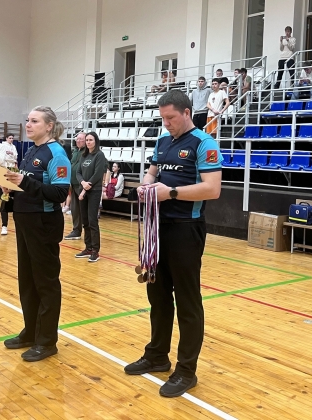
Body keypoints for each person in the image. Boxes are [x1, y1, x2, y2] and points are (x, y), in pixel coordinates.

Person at [123, 89, 222, 398]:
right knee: (158, 295)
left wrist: (171, 193)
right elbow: (152, 173)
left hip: (186, 229)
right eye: (163, 118)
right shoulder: (163, 141)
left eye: (171, 118)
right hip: (157, 227)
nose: (166, 123)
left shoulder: (204, 143)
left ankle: (186, 370)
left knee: (188, 301)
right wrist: (147, 186)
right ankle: (157, 355)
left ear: (187, 113)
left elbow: (212, 189)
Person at [2, 106, 71, 362]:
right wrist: (10, 187)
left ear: (49, 126)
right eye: (28, 120)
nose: (28, 125)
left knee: (45, 282)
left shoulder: (57, 154)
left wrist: (24, 182)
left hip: (44, 223)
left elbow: (60, 193)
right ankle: (30, 332)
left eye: (34, 121)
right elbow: (28, 186)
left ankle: (47, 341)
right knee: (27, 281)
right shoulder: (31, 151)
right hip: (25, 221)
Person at [75, 132, 107, 262]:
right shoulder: (83, 155)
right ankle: (88, 248)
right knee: (85, 221)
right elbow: (78, 172)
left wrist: (87, 186)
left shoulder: (99, 155)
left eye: (90, 140)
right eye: (87, 140)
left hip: (94, 191)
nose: (88, 142)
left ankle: (95, 250)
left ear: (96, 141)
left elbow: (98, 173)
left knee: (92, 220)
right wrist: (83, 183)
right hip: (83, 188)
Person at [65, 131, 86, 240]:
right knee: (74, 209)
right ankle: (76, 231)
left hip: (82, 185)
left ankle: (88, 232)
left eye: (80, 139)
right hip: (73, 184)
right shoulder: (75, 151)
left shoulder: (88, 152)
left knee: (84, 209)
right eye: (77, 139)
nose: (78, 141)